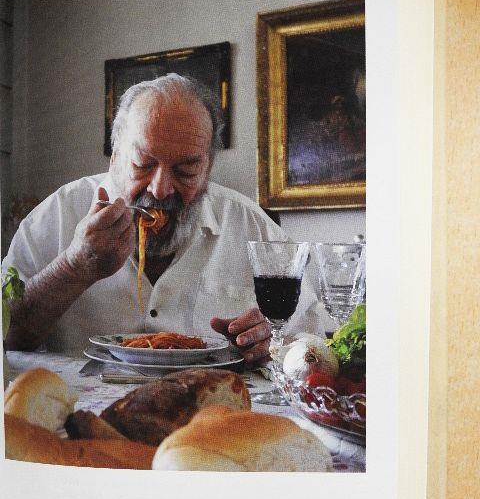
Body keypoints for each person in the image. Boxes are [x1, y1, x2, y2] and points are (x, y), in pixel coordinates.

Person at [3, 74, 323, 360]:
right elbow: (7, 336)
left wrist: (276, 341)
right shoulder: (57, 215)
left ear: (208, 168)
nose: (159, 189)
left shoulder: (251, 226)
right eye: (143, 164)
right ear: (115, 158)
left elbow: (314, 342)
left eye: (185, 171)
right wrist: (75, 265)